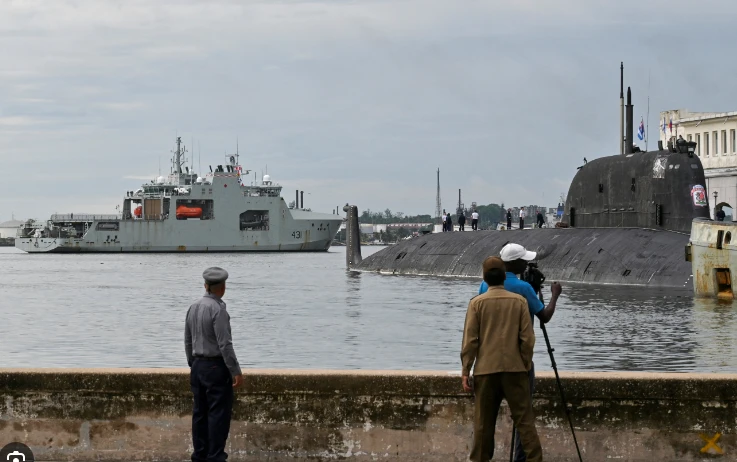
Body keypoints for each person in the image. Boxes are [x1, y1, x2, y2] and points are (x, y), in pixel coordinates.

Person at [477, 244, 561, 462]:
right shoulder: (524, 289)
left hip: (488, 362)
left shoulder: (483, 288)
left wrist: (467, 367)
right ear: (514, 264)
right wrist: (554, 295)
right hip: (518, 364)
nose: (526, 263)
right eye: (523, 260)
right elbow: (543, 317)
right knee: (524, 420)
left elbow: (473, 331)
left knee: (485, 422)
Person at [462, 256, 542, 462]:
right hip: (515, 370)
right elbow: (528, 339)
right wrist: (524, 363)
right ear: (504, 276)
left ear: (484, 278)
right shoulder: (520, 302)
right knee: (525, 423)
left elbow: (471, 341)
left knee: (483, 426)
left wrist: (465, 370)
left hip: (486, 371)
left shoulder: (476, 304)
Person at [185, 267, 244, 462]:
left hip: (198, 366)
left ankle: (199, 455)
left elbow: (187, 340)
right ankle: (216, 457)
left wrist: (193, 364)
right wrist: (235, 370)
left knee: (199, 414)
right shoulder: (218, 310)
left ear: (205, 286)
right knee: (218, 415)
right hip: (215, 367)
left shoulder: (193, 307)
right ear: (223, 287)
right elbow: (224, 344)